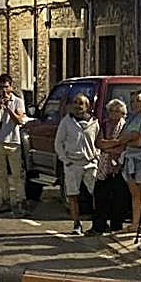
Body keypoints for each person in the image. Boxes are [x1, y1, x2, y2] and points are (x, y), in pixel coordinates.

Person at [54, 93, 100, 236]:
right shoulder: (66, 122)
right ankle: (76, 224)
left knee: (96, 194)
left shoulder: (94, 123)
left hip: (90, 163)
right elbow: (58, 143)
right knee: (73, 195)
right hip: (72, 163)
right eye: (75, 102)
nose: (77, 106)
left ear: (87, 106)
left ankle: (97, 223)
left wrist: (96, 156)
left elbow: (98, 141)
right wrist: (65, 160)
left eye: (80, 103)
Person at [0, 73, 27, 216]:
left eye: (6, 87)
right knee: (2, 175)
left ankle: (21, 201)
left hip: (13, 142)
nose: (4, 90)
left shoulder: (18, 101)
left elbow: (19, 120)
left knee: (17, 175)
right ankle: (5, 201)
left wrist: (8, 107)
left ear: (11, 87)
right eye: (1, 87)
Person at [91, 98, 128, 235]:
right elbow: (99, 143)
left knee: (119, 198)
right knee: (100, 197)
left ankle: (116, 226)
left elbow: (123, 147)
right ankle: (99, 226)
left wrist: (109, 146)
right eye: (111, 110)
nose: (113, 113)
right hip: (104, 167)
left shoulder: (125, 126)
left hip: (119, 166)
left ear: (122, 113)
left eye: (117, 111)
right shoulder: (104, 125)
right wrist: (115, 143)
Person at [119, 91, 141, 240]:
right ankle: (135, 222)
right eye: (132, 101)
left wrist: (127, 139)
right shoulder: (131, 118)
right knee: (135, 194)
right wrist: (128, 138)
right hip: (129, 158)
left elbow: (139, 141)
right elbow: (122, 137)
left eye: (138, 100)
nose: (135, 104)